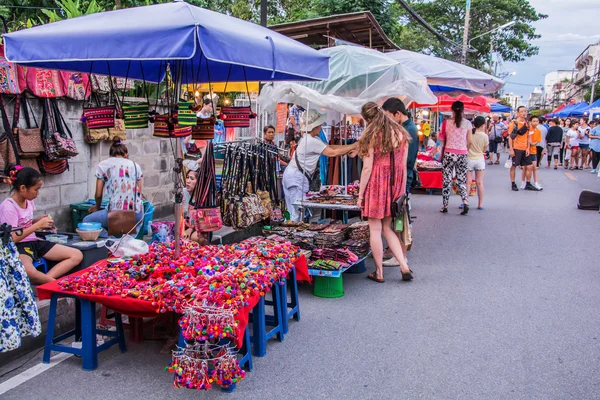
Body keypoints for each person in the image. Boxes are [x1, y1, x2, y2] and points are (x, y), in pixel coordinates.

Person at [357, 102, 413, 283]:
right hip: (395, 184)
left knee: (375, 228)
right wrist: (401, 190)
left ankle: (379, 272)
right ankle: (404, 266)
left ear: (367, 119)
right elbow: (403, 166)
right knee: (387, 228)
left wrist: (360, 194)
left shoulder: (371, 135)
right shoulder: (401, 133)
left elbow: (367, 169)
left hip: (377, 183)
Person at [0, 166, 82, 285]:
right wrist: (37, 226)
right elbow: (12, 238)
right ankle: (58, 285)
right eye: (36, 189)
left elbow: (24, 224)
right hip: (19, 246)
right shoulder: (8, 207)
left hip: (35, 242)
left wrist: (37, 221)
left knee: (76, 255)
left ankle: (46, 283)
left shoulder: (28, 201)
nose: (38, 193)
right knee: (29, 271)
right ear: (23, 188)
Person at [282, 109, 357, 222]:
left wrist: (350, 148)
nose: (321, 127)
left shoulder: (311, 138)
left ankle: (292, 234)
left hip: (293, 175)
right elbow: (332, 152)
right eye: (320, 125)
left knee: (294, 210)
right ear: (315, 126)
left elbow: (331, 147)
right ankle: (293, 237)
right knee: (296, 213)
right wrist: (354, 146)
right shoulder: (311, 141)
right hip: (296, 177)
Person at [381, 97, 418, 268]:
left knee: (400, 217)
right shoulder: (404, 128)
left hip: (403, 179)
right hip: (401, 178)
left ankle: (401, 255)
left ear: (397, 114)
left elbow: (408, 161)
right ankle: (399, 253)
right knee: (398, 217)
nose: (387, 120)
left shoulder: (408, 130)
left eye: (388, 116)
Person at [84, 138, 144, 233]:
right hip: (137, 214)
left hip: (116, 214)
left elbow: (98, 194)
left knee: (87, 221)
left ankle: (108, 241)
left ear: (110, 155)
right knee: (127, 238)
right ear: (126, 154)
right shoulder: (135, 165)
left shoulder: (103, 165)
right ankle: (123, 240)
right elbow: (139, 191)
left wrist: (97, 206)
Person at [440, 101, 472, 214]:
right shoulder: (468, 124)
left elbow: (441, 139)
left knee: (447, 179)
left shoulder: (445, 123)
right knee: (461, 180)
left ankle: (445, 205)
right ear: (463, 110)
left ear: (451, 110)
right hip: (462, 154)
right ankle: (465, 201)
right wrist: (464, 148)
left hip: (449, 153)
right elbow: (470, 141)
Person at [508, 106, 537, 191]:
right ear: (517, 113)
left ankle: (528, 183)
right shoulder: (514, 124)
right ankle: (513, 184)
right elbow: (510, 137)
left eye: (525, 111)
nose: (524, 113)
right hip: (516, 148)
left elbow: (528, 137)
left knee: (530, 166)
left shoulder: (528, 124)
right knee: (514, 166)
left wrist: (528, 148)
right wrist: (511, 149)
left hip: (525, 148)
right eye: (522, 111)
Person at [467, 116, 489, 210]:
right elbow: (485, 149)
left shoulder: (470, 133)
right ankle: (480, 204)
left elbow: (467, 145)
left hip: (469, 159)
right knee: (479, 182)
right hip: (480, 159)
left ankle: (465, 202)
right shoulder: (485, 136)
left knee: (468, 182)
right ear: (483, 125)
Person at [522, 116, 543, 190]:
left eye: (537, 121)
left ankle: (536, 183)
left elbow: (536, 142)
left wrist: (532, 143)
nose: (535, 122)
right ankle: (523, 182)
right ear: (530, 121)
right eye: (534, 121)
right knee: (525, 167)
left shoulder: (538, 131)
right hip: (526, 150)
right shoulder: (527, 129)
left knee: (534, 168)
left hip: (533, 151)